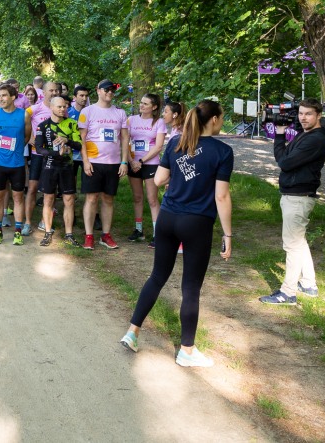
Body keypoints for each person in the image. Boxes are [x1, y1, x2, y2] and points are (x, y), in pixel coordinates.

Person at [120, 100, 233, 368]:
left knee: (157, 276)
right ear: (214, 119)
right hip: (196, 222)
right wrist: (228, 235)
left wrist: (182, 177)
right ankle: (187, 351)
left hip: (168, 218)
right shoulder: (223, 151)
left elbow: (159, 180)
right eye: (222, 117)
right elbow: (221, 196)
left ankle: (132, 332)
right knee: (190, 287)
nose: (222, 121)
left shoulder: (175, 143)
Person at [260, 98, 325, 305]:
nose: (303, 118)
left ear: (319, 115)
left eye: (308, 114)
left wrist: (279, 134)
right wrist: (281, 135)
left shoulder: (315, 139)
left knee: (292, 245)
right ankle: (309, 284)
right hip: (297, 194)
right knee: (299, 242)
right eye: (301, 113)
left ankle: (288, 293)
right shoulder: (309, 134)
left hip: (298, 197)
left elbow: (284, 162)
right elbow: (285, 157)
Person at [79, 80, 130, 250]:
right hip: (93, 162)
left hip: (113, 163)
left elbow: (125, 138)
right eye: (106, 90)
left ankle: (106, 235)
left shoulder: (120, 112)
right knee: (92, 198)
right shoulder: (87, 111)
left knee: (108, 199)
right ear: (98, 90)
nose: (110, 92)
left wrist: (124, 161)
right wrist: (85, 161)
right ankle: (89, 236)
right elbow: (82, 138)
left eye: (112, 90)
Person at [33, 95, 82, 246]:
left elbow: (79, 145)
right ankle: (47, 232)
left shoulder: (72, 123)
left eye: (65, 106)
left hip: (67, 166)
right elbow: (39, 148)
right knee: (48, 199)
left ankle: (69, 234)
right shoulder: (43, 126)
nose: (62, 109)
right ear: (51, 107)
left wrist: (67, 141)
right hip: (49, 166)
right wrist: (55, 153)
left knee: (69, 200)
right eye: (59, 106)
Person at [0, 84, 28, 245]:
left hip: (17, 164)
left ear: (13, 97)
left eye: (4, 95)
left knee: (18, 197)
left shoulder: (24, 115)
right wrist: (0, 151)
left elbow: (26, 136)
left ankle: (18, 232)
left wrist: (16, 150)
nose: (0, 98)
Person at [125, 94, 167, 244]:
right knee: (137, 197)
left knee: (152, 199)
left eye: (146, 104)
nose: (141, 106)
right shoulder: (131, 120)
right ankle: (138, 230)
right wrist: (131, 161)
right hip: (133, 163)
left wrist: (141, 161)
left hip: (150, 163)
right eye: (141, 103)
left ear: (154, 107)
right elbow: (125, 141)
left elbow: (158, 146)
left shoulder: (159, 122)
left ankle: (157, 233)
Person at [24, 81, 60, 234]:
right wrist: (30, 138)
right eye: (51, 90)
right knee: (32, 188)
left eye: (56, 90)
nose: (54, 93)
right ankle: (27, 222)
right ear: (43, 93)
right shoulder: (34, 109)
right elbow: (22, 123)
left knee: (50, 190)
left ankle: (44, 221)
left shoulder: (61, 109)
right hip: (37, 155)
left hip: (54, 155)